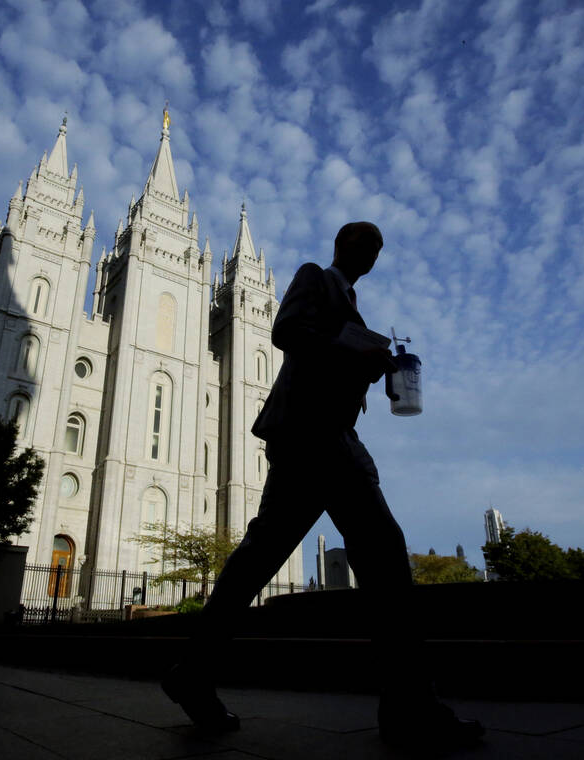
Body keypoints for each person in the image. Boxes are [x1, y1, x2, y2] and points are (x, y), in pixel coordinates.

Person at [162, 222, 484, 753]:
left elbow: (332, 359)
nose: (369, 253)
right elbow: (286, 332)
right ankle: (410, 706)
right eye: (362, 243)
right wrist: (352, 354)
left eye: (376, 248)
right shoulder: (316, 277)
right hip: (315, 437)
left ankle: (193, 672)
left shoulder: (353, 308)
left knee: (259, 559)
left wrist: (373, 371)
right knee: (382, 553)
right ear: (341, 245)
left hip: (325, 437)